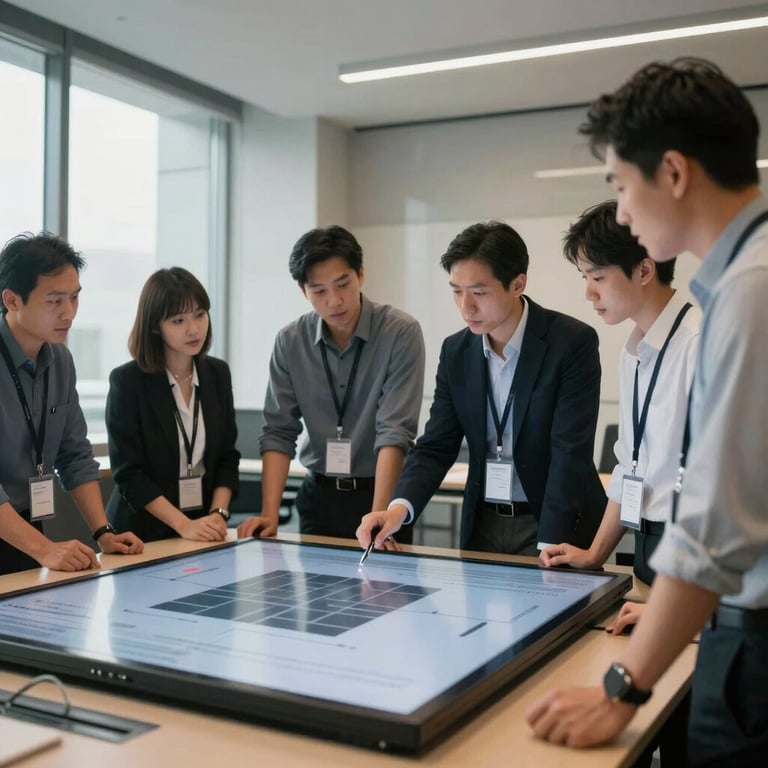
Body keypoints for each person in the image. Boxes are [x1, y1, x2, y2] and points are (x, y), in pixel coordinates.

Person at [526, 58, 768, 767]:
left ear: (673, 172)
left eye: (623, 187)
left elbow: (719, 525)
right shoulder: (744, 281)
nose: (625, 213)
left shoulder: (750, 292)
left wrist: (621, 689)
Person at [356, 221, 606, 557]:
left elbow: (569, 452)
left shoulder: (571, 343)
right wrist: (397, 509)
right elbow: (436, 444)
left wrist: (550, 544)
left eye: (479, 292)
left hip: (555, 523)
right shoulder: (456, 351)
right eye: (457, 291)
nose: (465, 307)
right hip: (484, 523)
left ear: (517, 284)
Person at [540, 200, 700, 606]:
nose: (588, 293)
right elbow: (630, 466)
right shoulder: (634, 351)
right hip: (648, 548)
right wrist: (596, 554)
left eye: (597, 277)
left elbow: (719, 490)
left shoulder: (699, 345)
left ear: (644, 269)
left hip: (693, 558)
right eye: (584, 276)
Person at [236, 225, 425, 542]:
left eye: (343, 284)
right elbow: (279, 431)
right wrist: (269, 515)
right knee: (317, 590)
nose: (334, 301)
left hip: (380, 496)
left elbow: (395, 430)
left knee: (382, 591)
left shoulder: (399, 332)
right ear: (303, 291)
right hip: (319, 497)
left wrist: (379, 518)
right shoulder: (290, 341)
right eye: (319, 291)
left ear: (361, 274)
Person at [0, 232, 143, 575]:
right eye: (54, 301)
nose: (69, 313)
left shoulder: (60, 360)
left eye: (74, 298)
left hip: (25, 527)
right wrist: (45, 550)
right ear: (12, 300)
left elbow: (74, 454)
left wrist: (103, 532)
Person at [106, 267, 239, 543]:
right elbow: (129, 474)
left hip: (202, 526)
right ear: (155, 326)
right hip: (141, 533)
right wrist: (183, 524)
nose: (194, 329)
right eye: (178, 320)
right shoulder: (128, 382)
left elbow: (227, 455)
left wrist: (218, 513)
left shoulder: (217, 374)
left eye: (200, 315)